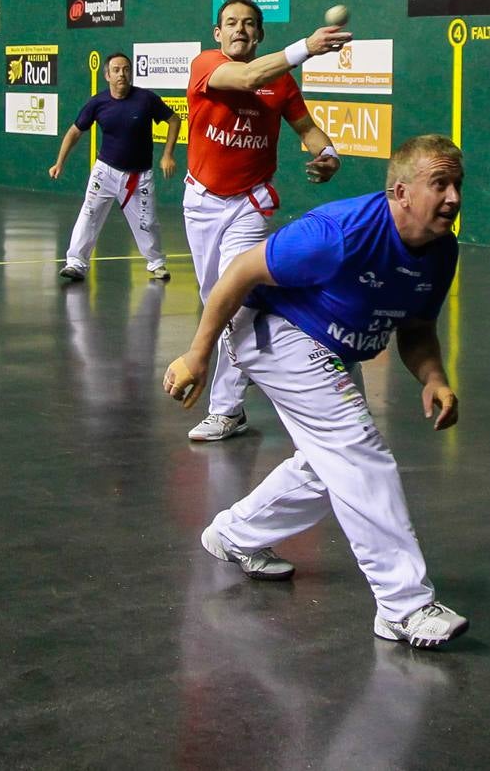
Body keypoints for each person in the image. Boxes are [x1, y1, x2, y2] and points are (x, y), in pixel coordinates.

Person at [162, 134, 469, 649]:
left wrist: (434, 377)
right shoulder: (339, 233)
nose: (454, 198)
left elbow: (416, 327)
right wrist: (198, 353)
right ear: (400, 191)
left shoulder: (440, 252)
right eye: (439, 184)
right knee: (356, 451)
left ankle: (235, 536)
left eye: (457, 185)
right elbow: (239, 272)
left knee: (329, 462)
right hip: (271, 330)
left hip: (326, 347)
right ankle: (403, 606)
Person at [184, 0, 351, 442]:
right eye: (231, 23)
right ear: (218, 34)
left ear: (259, 34)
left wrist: (327, 152)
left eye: (249, 24)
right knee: (212, 301)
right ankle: (249, 368)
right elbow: (248, 76)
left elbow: (308, 129)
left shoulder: (281, 86)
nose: (240, 29)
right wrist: (306, 49)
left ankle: (228, 408)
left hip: (250, 204)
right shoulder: (206, 65)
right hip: (201, 203)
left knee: (233, 298)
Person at [50, 52, 179, 282]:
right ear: (107, 75)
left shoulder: (146, 99)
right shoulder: (97, 103)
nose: (122, 74)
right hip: (105, 172)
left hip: (139, 176)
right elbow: (74, 132)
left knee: (147, 222)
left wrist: (167, 154)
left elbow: (174, 120)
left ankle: (156, 264)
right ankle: (76, 264)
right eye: (117, 70)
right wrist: (60, 162)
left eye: (126, 69)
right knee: (89, 215)